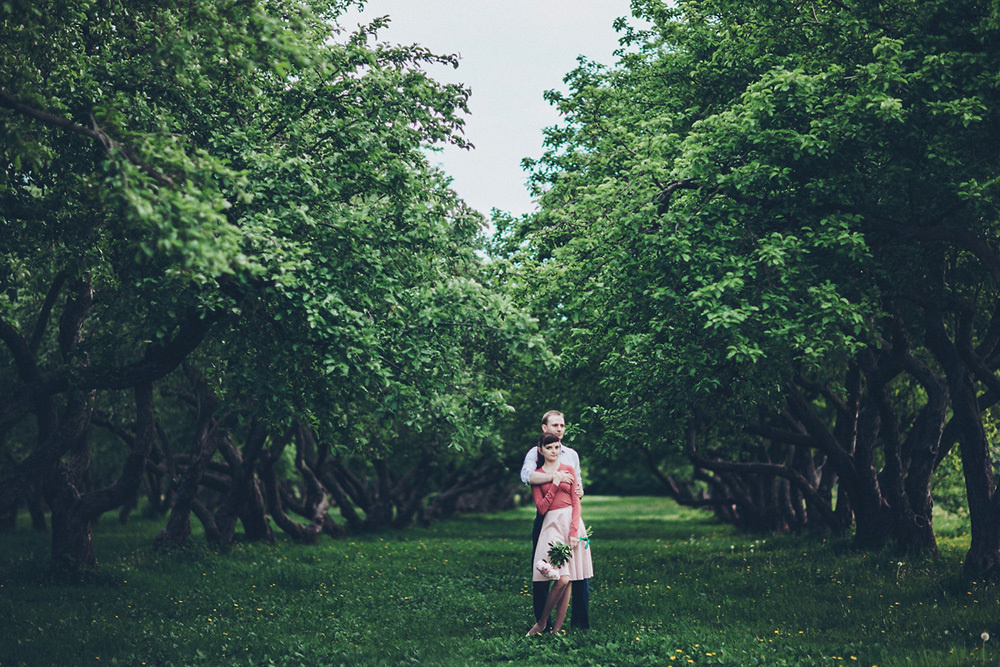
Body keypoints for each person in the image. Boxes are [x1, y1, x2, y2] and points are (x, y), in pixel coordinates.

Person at [520, 410, 590, 631]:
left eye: (562, 425)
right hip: (547, 519)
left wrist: (578, 491)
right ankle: (543, 621)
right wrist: (555, 477)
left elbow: (578, 486)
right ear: (544, 428)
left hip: (570, 517)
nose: (559, 429)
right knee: (543, 570)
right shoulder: (535, 452)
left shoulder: (571, 455)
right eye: (555, 425)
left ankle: (579, 624)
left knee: (577, 574)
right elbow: (528, 477)